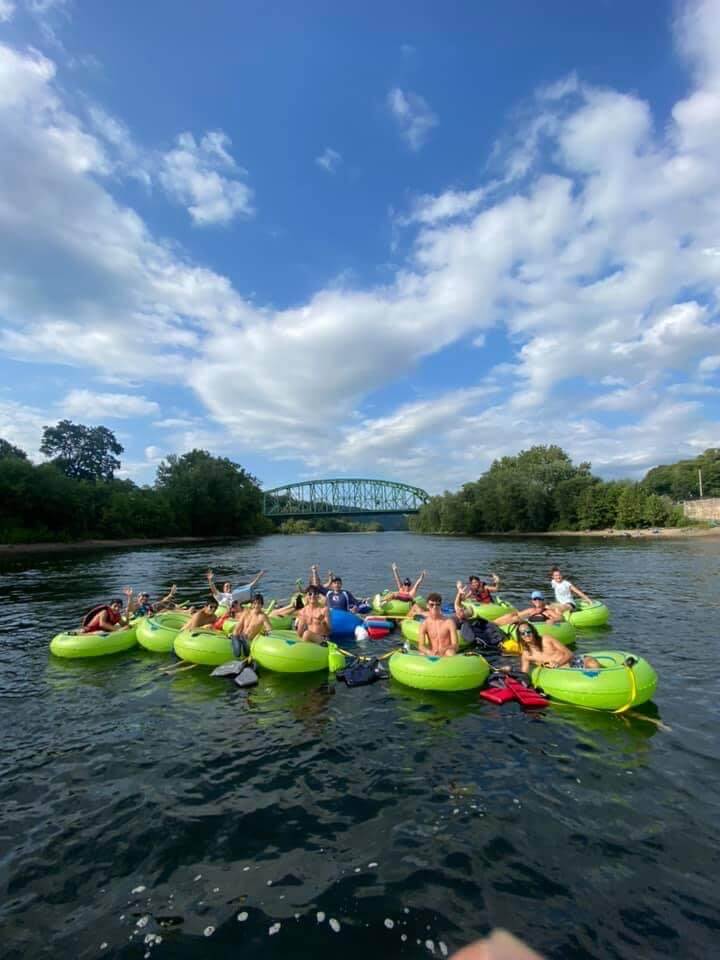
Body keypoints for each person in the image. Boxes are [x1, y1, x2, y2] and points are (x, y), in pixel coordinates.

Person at [513, 620, 601, 672]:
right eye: (523, 633)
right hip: (560, 672)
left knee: (592, 663)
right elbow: (524, 673)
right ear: (520, 636)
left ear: (533, 632)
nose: (526, 635)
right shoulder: (526, 654)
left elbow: (569, 653)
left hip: (573, 662)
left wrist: (558, 664)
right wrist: (510, 671)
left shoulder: (546, 639)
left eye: (528, 631)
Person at [453, 583, 504, 649]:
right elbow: (457, 602)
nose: (461, 610)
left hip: (480, 626)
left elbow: (470, 637)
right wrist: (459, 590)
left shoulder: (468, 622)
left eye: (463, 610)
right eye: (462, 610)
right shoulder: (459, 612)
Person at [417, 593, 458, 657]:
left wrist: (445, 649)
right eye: (431, 605)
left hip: (446, 653)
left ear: (440, 606)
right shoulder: (424, 624)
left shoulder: (449, 622)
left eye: (437, 605)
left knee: (450, 652)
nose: (434, 607)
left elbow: (455, 645)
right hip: (433, 653)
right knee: (421, 653)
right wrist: (428, 652)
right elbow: (421, 646)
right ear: (427, 606)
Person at [494, 591, 564, 626]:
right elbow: (518, 614)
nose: (537, 601)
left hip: (540, 629)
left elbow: (560, 618)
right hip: (530, 627)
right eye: (535, 599)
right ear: (532, 601)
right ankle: (492, 624)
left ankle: (495, 626)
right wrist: (512, 613)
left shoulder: (547, 611)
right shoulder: (531, 610)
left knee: (516, 619)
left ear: (543, 600)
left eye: (539, 599)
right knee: (511, 616)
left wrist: (554, 620)